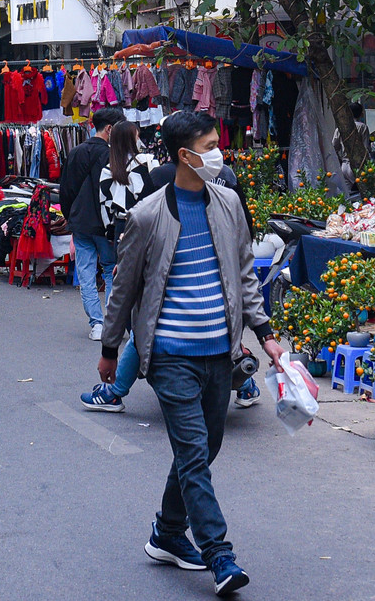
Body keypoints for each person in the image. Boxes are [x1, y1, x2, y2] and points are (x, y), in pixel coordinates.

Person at [98, 110, 280, 595]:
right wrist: (110, 348)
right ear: (185, 154)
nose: (220, 152)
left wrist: (265, 332)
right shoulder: (147, 215)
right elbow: (125, 286)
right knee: (195, 453)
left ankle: (167, 532)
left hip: (220, 353)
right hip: (171, 355)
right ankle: (220, 557)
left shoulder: (228, 204)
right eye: (212, 144)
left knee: (205, 447)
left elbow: (243, 273)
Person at [81, 120, 155, 412]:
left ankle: (117, 326)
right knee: (130, 288)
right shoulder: (145, 165)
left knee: (121, 283)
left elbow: (104, 208)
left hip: (119, 229)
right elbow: (151, 201)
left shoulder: (106, 171)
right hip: (143, 226)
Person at [59, 107, 127, 340]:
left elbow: (66, 189)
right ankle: (111, 322)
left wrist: (70, 217)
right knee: (110, 270)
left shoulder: (76, 152)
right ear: (110, 129)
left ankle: (96, 323)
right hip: (107, 223)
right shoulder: (114, 154)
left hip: (80, 222)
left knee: (86, 272)